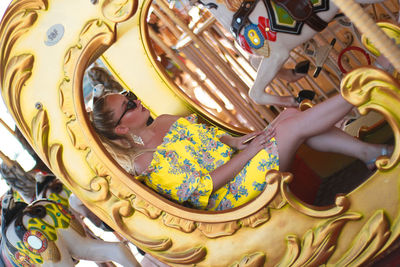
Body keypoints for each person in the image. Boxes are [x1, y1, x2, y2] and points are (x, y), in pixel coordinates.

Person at [91, 92, 391, 211]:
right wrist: (249, 154)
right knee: (288, 129)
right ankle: (358, 89)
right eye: (127, 106)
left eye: (130, 97)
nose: (135, 101)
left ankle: (368, 152)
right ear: (121, 129)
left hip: (238, 161)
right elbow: (204, 186)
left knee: (287, 115)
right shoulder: (146, 162)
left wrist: (236, 143)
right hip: (230, 196)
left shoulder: (167, 121)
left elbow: (213, 138)